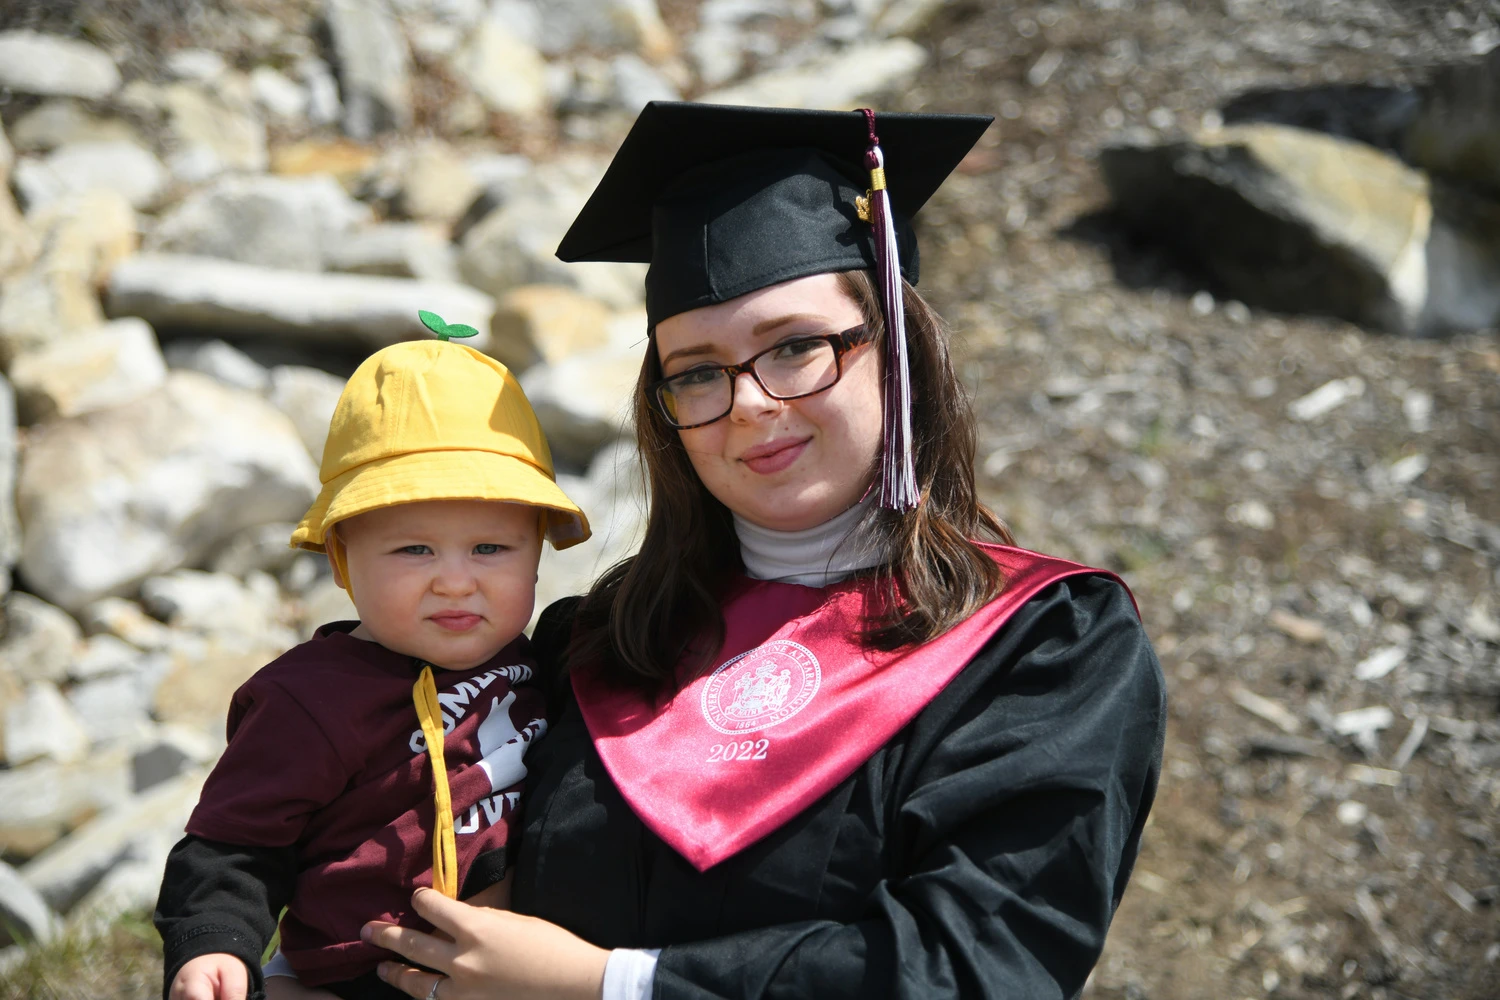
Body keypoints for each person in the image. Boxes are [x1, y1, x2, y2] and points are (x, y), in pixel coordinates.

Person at [268, 101, 1167, 1000]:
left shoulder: (1042, 649)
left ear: (897, 347)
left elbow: (978, 970)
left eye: (795, 347)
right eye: (695, 371)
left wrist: (608, 986)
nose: (748, 404)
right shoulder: (596, 642)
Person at [154, 331, 591, 1000]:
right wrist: (214, 943)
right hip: (366, 976)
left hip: (521, 966)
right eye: (414, 549)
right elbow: (233, 845)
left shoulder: (546, 662)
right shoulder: (310, 700)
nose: (454, 581)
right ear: (341, 559)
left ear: (537, 553)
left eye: (489, 548)